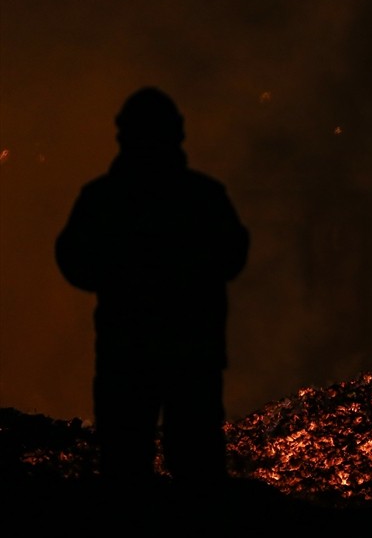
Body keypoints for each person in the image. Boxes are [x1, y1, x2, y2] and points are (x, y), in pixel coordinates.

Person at [56, 87, 249, 489]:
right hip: (193, 352)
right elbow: (233, 255)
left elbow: (73, 259)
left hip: (126, 351)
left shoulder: (103, 198)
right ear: (177, 135)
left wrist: (116, 278)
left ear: (123, 136)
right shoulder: (203, 197)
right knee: (197, 465)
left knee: (125, 463)